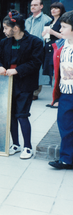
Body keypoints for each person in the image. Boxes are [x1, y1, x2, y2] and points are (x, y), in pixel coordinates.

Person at [0, 11, 43, 159]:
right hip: (7, 83)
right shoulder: (4, 42)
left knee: (22, 115)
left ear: (15, 28)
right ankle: (15, 144)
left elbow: (35, 63)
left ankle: (27, 147)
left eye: (5, 28)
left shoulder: (35, 42)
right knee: (11, 115)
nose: (3, 31)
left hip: (25, 83)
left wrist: (16, 70)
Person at [49, 10, 73, 169]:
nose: (60, 30)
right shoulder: (61, 45)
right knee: (65, 125)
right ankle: (67, 158)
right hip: (65, 93)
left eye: (64, 27)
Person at [25, 0, 52, 100]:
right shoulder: (27, 21)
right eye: (32, 5)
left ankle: (35, 92)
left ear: (41, 6)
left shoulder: (47, 20)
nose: (33, 7)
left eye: (35, 5)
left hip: (40, 49)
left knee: (38, 71)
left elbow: (48, 38)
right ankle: (28, 90)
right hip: (27, 49)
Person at [42, 2, 66, 108]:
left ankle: (57, 100)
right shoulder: (49, 21)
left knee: (57, 75)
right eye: (52, 8)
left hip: (57, 51)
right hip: (48, 51)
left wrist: (52, 32)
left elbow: (65, 36)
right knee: (52, 75)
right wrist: (45, 36)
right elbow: (48, 36)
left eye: (56, 8)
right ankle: (54, 99)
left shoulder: (63, 22)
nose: (53, 10)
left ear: (61, 10)